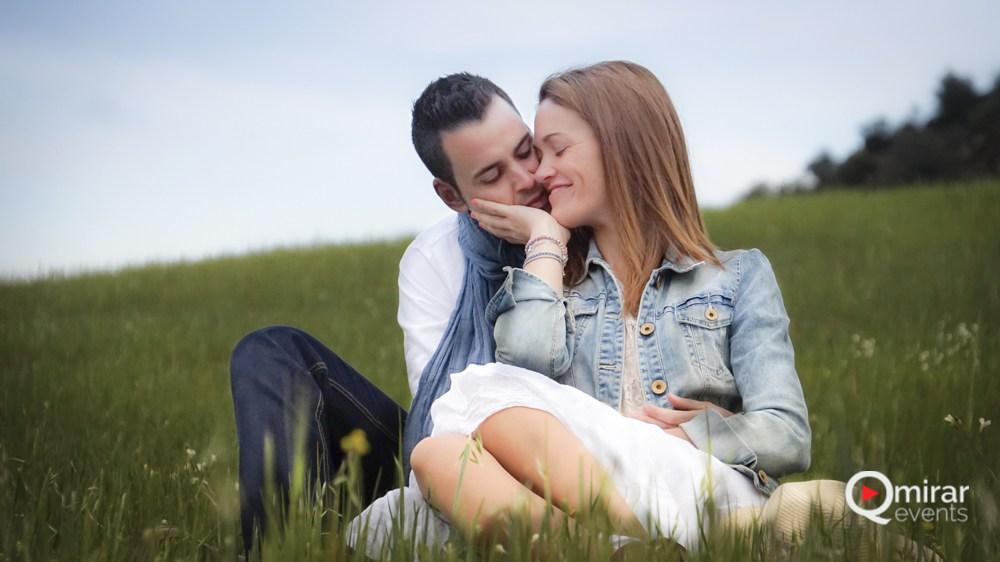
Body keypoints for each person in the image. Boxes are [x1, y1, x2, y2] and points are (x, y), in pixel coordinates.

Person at [408, 61, 826, 551]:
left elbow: (788, 434)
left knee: (478, 392)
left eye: (552, 151)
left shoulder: (737, 277)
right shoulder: (552, 284)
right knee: (436, 455)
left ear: (623, 147)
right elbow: (526, 374)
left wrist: (699, 432)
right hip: (597, 484)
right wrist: (545, 240)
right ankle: (624, 549)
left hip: (698, 479)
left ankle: (648, 539)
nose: (538, 174)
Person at [229, 72, 550, 554]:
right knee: (270, 350)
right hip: (462, 454)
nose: (525, 180)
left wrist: (549, 243)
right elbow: (447, 416)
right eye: (492, 176)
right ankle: (283, 549)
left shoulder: (589, 214)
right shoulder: (435, 258)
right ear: (453, 197)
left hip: (574, 452)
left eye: (525, 151)